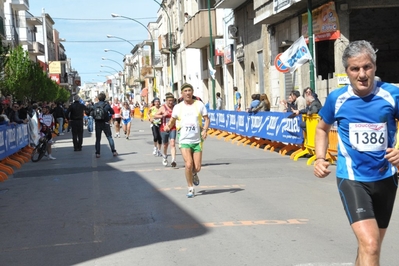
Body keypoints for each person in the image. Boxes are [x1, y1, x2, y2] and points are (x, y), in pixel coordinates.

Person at [313, 40, 399, 265]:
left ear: (375, 67)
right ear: (347, 71)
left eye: (367, 67)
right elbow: (321, 128)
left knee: (371, 247)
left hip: (386, 179)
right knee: (370, 244)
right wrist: (320, 158)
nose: (362, 74)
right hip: (352, 179)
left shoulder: (392, 95)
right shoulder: (337, 99)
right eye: (355, 68)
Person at [164, 83, 209, 198]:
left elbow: (206, 119)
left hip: (197, 140)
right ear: (182, 93)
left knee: (197, 167)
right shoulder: (178, 107)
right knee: (188, 164)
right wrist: (168, 126)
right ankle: (190, 187)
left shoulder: (199, 105)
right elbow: (173, 120)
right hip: (184, 140)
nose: (188, 93)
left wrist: (205, 130)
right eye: (185, 91)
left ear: (192, 92)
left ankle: (194, 174)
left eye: (190, 90)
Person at [90, 92, 118, 158]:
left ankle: (97, 153)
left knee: (98, 139)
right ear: (104, 98)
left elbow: (91, 113)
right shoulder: (106, 105)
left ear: (98, 98)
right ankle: (113, 151)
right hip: (105, 123)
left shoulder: (95, 105)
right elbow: (112, 112)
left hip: (98, 123)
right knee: (109, 137)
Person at [154, 92, 177, 167]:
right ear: (166, 101)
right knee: (165, 145)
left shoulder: (175, 107)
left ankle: (173, 160)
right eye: (169, 100)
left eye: (172, 100)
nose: (171, 102)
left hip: (172, 127)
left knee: (173, 143)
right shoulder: (163, 107)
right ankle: (164, 156)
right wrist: (163, 115)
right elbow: (155, 116)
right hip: (163, 128)